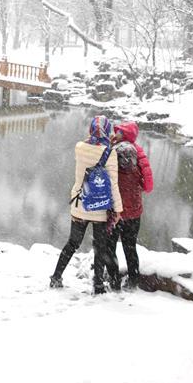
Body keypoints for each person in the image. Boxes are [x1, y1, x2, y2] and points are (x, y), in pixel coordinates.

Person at [49, 115, 123, 295]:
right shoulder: (110, 152)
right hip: (100, 206)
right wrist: (119, 209)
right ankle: (98, 284)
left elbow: (91, 147)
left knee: (72, 243)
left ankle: (56, 276)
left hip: (81, 203)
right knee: (100, 247)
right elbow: (113, 184)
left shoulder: (80, 148)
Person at [111, 121, 154, 290]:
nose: (117, 134)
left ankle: (114, 281)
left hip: (116, 211)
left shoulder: (112, 151)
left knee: (110, 246)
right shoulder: (139, 154)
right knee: (130, 247)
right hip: (134, 212)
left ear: (124, 135)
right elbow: (149, 186)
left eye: (119, 132)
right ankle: (133, 280)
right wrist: (136, 186)